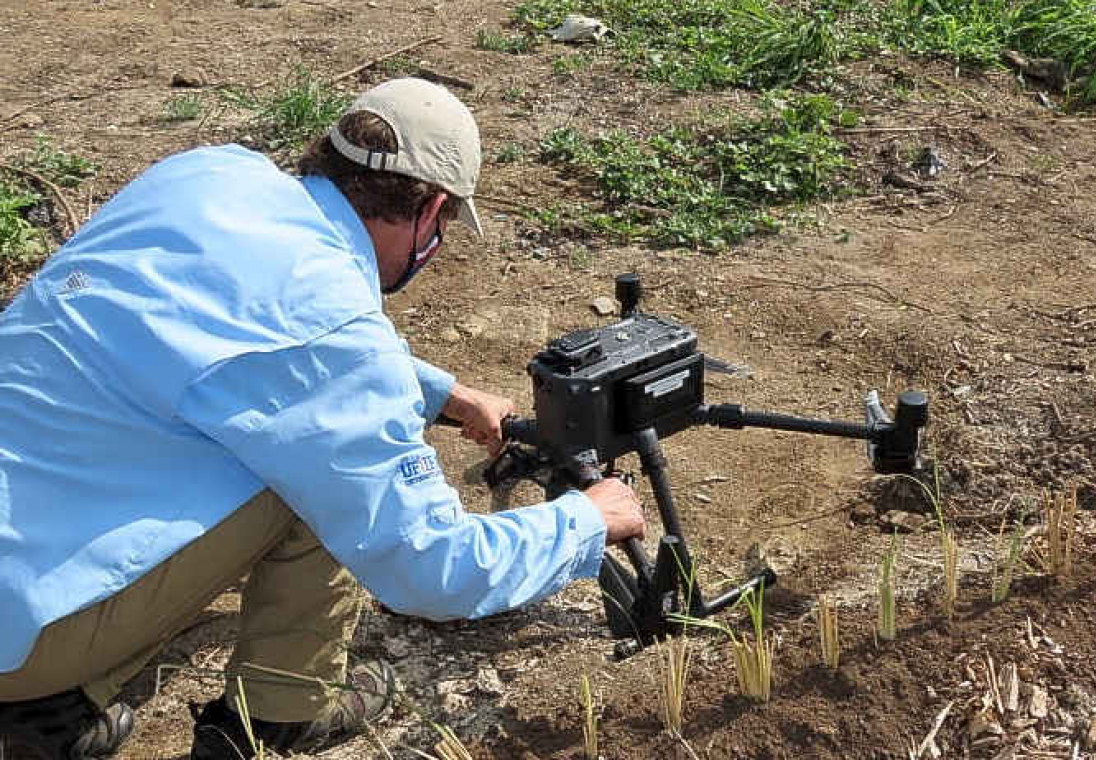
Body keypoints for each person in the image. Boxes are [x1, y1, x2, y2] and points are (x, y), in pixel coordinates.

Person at [0, 78, 645, 760]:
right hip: (15, 635)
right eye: (448, 225)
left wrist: (443, 393)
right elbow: (432, 571)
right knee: (311, 475)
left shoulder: (205, 175)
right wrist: (587, 518)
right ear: (430, 208)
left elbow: (232, 337)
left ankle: (59, 695)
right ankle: (281, 707)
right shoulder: (330, 329)